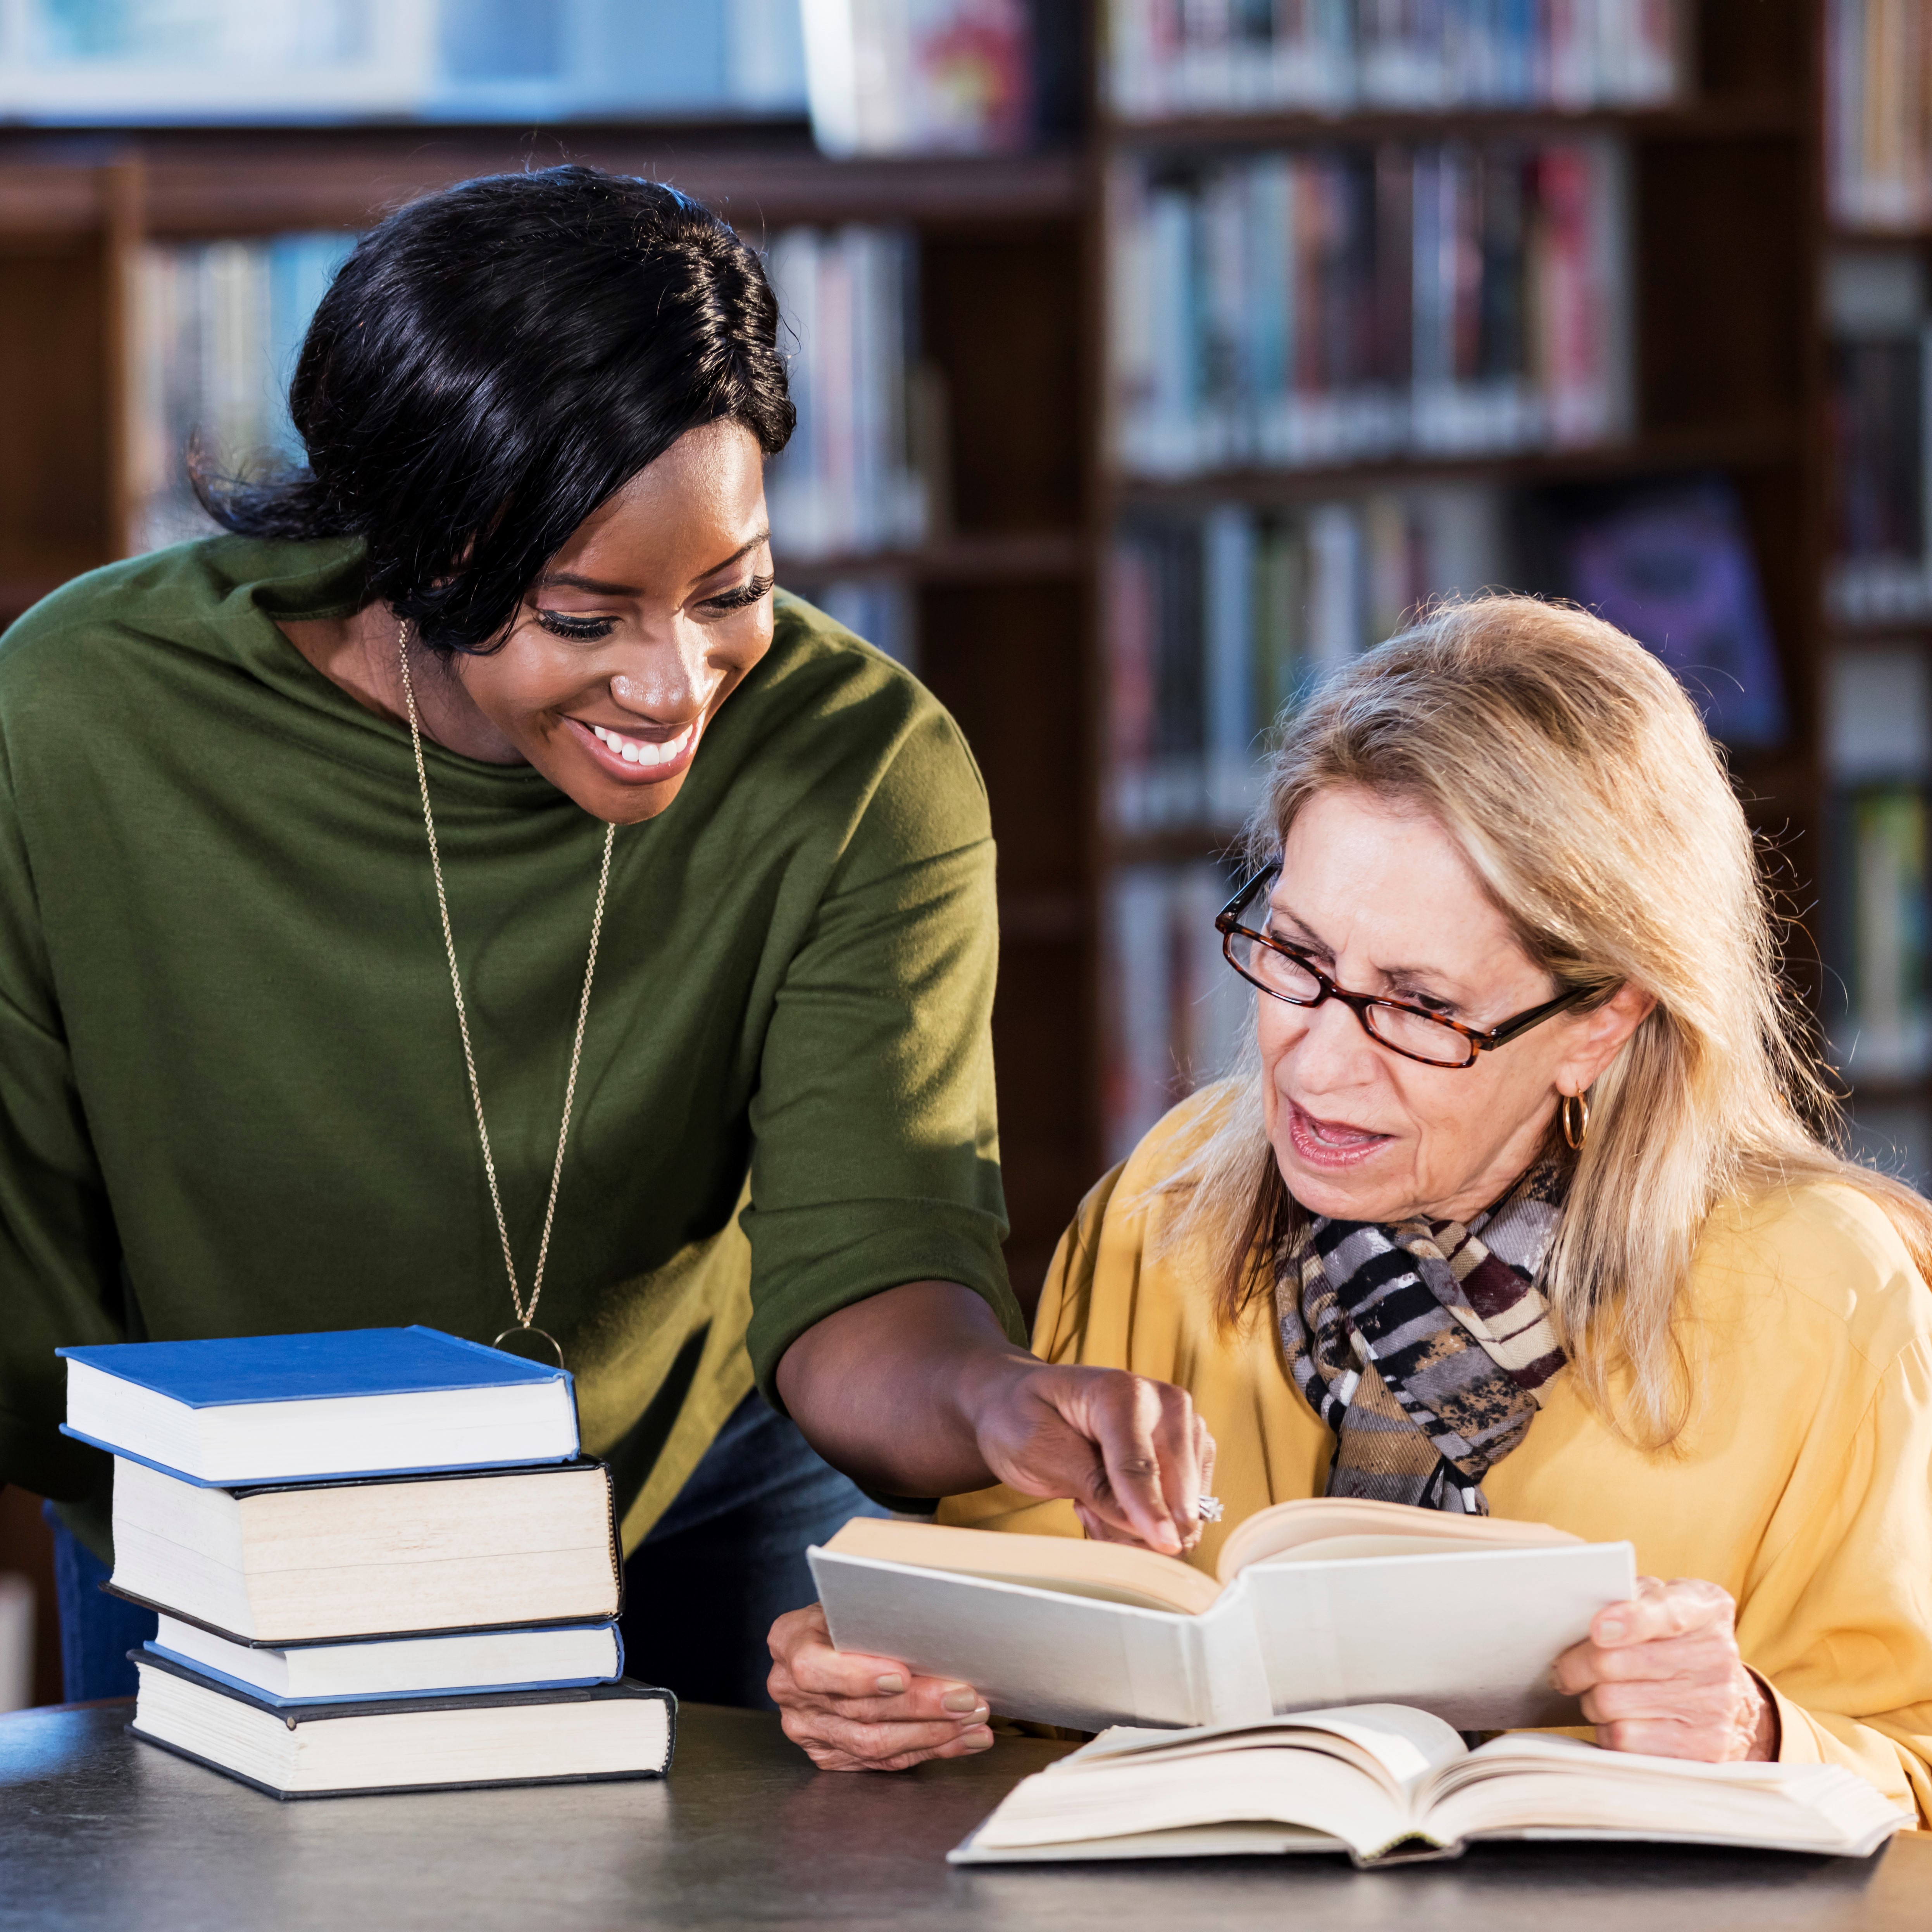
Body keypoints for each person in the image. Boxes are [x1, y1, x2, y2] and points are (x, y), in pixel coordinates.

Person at [0, 165, 1212, 1708]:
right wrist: (206, 1499)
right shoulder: (78, 720)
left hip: (701, 1469)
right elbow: (23, 1262)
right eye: (585, 615)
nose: (674, 681)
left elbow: (873, 1255)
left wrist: (990, 1400)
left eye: (733, 590)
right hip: (231, 1503)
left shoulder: (857, 764)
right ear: (413, 544)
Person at [769, 596, 1932, 1823]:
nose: (1316, 1068)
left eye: (1418, 1006)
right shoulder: (1164, 1211)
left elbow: (1910, 1758)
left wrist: (1754, 1732)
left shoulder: (1831, 1294)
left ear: (1602, 1020)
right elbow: (1012, 1659)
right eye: (1300, 959)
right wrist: (896, 1685)